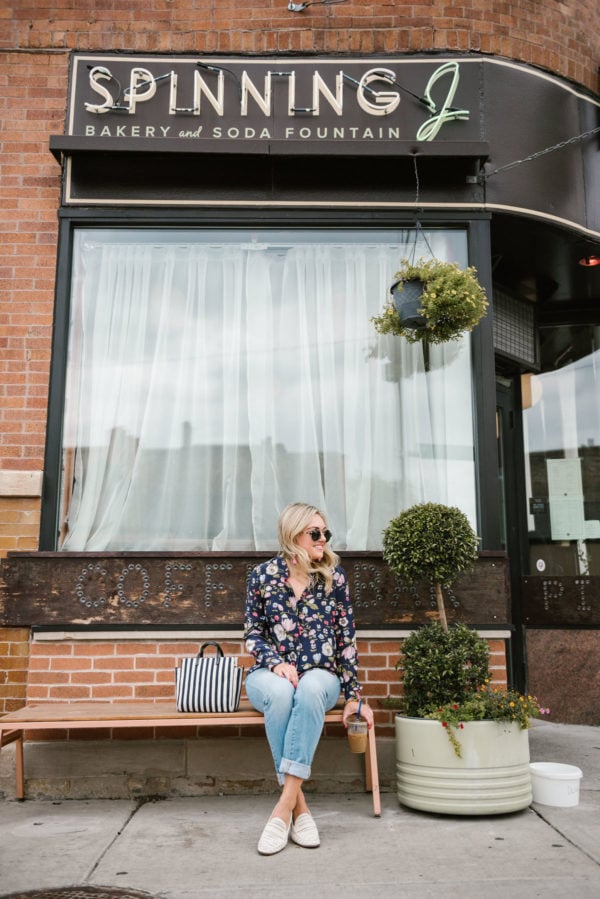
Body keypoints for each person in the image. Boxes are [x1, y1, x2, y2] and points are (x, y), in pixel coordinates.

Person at [244, 501, 374, 855]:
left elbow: (346, 641)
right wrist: (274, 663)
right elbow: (253, 633)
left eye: (325, 533)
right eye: (314, 533)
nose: (322, 539)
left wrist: (353, 696)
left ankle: (282, 809)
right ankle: (299, 809)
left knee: (310, 688)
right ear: (293, 534)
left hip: (321, 675)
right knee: (282, 693)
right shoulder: (263, 576)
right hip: (269, 675)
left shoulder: (334, 577)